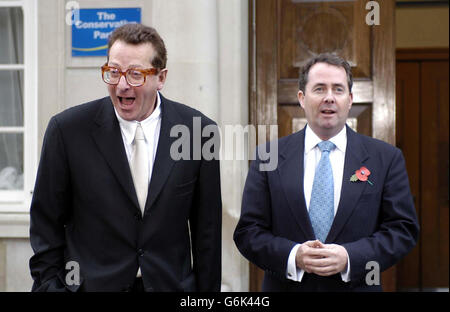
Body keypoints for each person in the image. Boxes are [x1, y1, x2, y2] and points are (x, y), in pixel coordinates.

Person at [29, 24, 222, 292]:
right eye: (114, 72)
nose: (121, 85)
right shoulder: (67, 131)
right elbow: (45, 225)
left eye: (134, 74)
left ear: (161, 77)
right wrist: (51, 287)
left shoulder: (199, 132)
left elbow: (208, 235)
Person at [233, 53, 419, 291]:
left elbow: (402, 230)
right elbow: (249, 232)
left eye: (338, 90)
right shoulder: (268, 157)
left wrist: (350, 257)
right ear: (302, 98)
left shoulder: (386, 158)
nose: (329, 98)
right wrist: (294, 256)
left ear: (350, 99)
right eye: (319, 89)